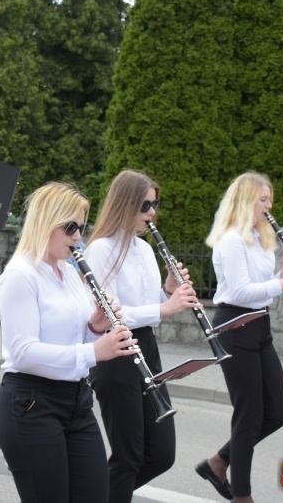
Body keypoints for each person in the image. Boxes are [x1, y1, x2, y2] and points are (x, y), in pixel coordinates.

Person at [0, 181, 139, 503]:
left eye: (81, 227)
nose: (78, 236)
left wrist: (96, 326)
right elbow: (24, 352)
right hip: (31, 403)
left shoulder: (70, 273)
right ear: (46, 221)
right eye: (70, 227)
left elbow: (74, 335)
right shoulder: (21, 274)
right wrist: (94, 350)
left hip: (76, 400)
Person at [196, 172, 283, 503]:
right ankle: (242, 496)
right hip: (235, 327)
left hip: (259, 326)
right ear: (246, 200)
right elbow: (239, 291)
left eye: (270, 199)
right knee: (248, 415)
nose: (269, 205)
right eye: (263, 199)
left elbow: (260, 291)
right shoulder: (231, 239)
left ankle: (218, 462)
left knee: (277, 412)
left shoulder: (258, 238)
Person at [83, 169, 202, 502]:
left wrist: (169, 289)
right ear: (126, 204)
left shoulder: (145, 250)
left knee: (161, 454)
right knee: (128, 457)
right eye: (145, 205)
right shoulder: (100, 250)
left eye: (155, 204)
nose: (153, 213)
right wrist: (166, 308)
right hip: (116, 352)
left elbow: (151, 308)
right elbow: (108, 313)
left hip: (146, 346)